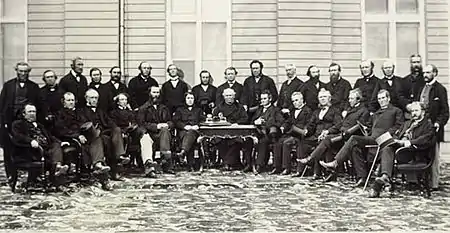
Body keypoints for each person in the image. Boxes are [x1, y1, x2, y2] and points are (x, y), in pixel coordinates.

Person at [320, 89, 404, 187]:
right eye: (379, 99)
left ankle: (336, 162)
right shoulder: (376, 113)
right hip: (372, 139)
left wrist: (387, 134)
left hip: (384, 140)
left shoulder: (396, 111)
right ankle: (362, 178)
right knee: (355, 147)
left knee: (354, 138)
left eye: (383, 98)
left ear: (388, 98)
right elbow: (369, 127)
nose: (381, 101)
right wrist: (365, 129)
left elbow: (399, 126)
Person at [298, 88, 370, 181]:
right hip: (341, 135)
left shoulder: (363, 111)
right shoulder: (349, 109)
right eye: (349, 98)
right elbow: (340, 124)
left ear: (358, 99)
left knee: (328, 141)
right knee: (328, 141)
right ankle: (326, 170)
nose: (349, 100)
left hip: (349, 137)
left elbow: (359, 126)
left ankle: (312, 160)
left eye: (351, 98)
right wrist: (328, 131)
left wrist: (346, 132)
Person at [368, 102, 435, 198]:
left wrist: (407, 143)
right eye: (412, 111)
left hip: (414, 153)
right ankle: (385, 177)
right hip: (399, 150)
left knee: (388, 153)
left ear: (423, 112)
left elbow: (424, 140)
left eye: (416, 110)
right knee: (387, 148)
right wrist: (392, 139)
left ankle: (379, 185)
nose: (414, 113)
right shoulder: (407, 123)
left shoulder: (428, 125)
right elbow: (398, 134)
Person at [54, 92, 112, 190]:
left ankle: (98, 165)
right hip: (69, 138)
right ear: (64, 102)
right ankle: (98, 174)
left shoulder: (80, 112)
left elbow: (85, 124)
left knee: (97, 139)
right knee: (89, 144)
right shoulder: (60, 114)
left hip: (84, 137)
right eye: (68, 100)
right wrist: (77, 135)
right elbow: (61, 130)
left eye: (72, 100)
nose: (71, 102)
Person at [0, 62, 42, 178]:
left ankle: (32, 175)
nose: (23, 73)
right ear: (17, 71)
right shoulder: (8, 85)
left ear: (28, 72)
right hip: (9, 121)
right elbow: (2, 104)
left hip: (25, 123)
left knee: (27, 144)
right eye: (21, 71)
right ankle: (10, 175)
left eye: (25, 71)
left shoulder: (34, 87)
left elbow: (38, 105)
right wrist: (2, 122)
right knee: (8, 149)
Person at [81, 89, 129, 181]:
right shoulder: (81, 111)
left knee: (117, 130)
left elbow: (110, 122)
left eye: (96, 98)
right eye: (92, 98)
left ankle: (119, 156)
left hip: (104, 134)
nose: (94, 100)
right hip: (91, 136)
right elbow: (82, 125)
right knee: (100, 139)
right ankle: (99, 164)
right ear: (87, 99)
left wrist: (119, 132)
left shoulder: (101, 111)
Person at [11, 104, 68, 180]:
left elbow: (50, 137)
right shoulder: (18, 124)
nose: (32, 114)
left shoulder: (39, 125)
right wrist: (31, 141)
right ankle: (55, 171)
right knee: (50, 155)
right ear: (24, 114)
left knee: (56, 145)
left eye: (34, 112)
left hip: (45, 148)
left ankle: (58, 167)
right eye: (30, 112)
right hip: (30, 150)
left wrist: (60, 142)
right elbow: (18, 136)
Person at [109, 93, 157, 178]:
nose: (124, 102)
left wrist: (141, 131)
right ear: (117, 102)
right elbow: (113, 126)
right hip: (121, 134)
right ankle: (120, 161)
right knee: (121, 135)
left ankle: (148, 163)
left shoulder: (131, 113)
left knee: (145, 137)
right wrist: (123, 132)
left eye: (125, 100)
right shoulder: (113, 113)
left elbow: (137, 123)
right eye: (122, 100)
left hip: (133, 133)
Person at [418, 64, 449, 190]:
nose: (425, 75)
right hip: (421, 126)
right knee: (421, 154)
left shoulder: (440, 89)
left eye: (428, 72)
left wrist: (438, 123)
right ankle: (421, 181)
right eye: (424, 72)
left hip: (434, 128)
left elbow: (445, 111)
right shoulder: (422, 87)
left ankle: (434, 183)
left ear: (435, 73)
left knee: (434, 156)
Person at [300, 89, 343, 179]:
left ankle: (317, 171)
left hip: (328, 136)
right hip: (316, 135)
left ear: (329, 98)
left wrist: (328, 131)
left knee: (323, 143)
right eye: (320, 97)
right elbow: (311, 125)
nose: (322, 99)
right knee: (303, 142)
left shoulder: (335, 111)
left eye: (324, 97)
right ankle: (302, 170)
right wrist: (307, 130)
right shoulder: (316, 112)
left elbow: (338, 125)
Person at [137, 86, 175, 174]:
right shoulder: (143, 108)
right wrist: (156, 126)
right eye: (154, 92)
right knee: (146, 139)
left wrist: (167, 124)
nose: (156, 95)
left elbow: (171, 122)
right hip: (150, 134)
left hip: (162, 135)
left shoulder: (164, 108)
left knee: (165, 131)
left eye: (158, 93)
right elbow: (141, 124)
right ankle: (151, 166)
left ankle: (165, 158)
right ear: (149, 94)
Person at [272, 92, 312, 176]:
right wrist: (283, 127)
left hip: (300, 135)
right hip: (291, 133)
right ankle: (277, 167)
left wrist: (302, 130)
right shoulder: (293, 111)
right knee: (277, 142)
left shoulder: (307, 111)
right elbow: (288, 122)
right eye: (293, 101)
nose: (295, 103)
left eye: (297, 100)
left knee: (286, 143)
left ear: (302, 100)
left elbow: (309, 124)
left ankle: (287, 168)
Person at [212, 88, 249, 171]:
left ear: (234, 96)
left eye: (231, 96)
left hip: (236, 131)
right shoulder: (219, 107)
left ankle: (227, 163)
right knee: (220, 141)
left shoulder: (240, 107)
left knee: (236, 142)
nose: (229, 97)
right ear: (224, 97)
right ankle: (232, 163)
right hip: (222, 132)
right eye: (227, 96)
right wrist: (219, 119)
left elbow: (245, 118)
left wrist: (237, 123)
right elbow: (214, 118)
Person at [251, 90, 284, 174]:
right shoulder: (259, 110)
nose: (262, 101)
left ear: (270, 99)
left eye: (265, 98)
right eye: (261, 99)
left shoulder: (276, 110)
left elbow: (280, 122)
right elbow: (252, 121)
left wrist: (265, 123)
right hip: (259, 133)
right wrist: (256, 122)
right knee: (249, 140)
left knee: (263, 141)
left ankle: (259, 166)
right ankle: (251, 164)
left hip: (272, 135)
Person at [173, 91, 206, 171]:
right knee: (189, 135)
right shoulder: (179, 110)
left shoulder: (198, 110)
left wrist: (197, 126)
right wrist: (184, 126)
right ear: (185, 99)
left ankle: (183, 153)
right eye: (188, 98)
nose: (190, 100)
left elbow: (203, 120)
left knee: (191, 133)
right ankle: (190, 164)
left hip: (196, 131)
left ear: (194, 99)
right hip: (183, 131)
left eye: (192, 98)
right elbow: (176, 121)